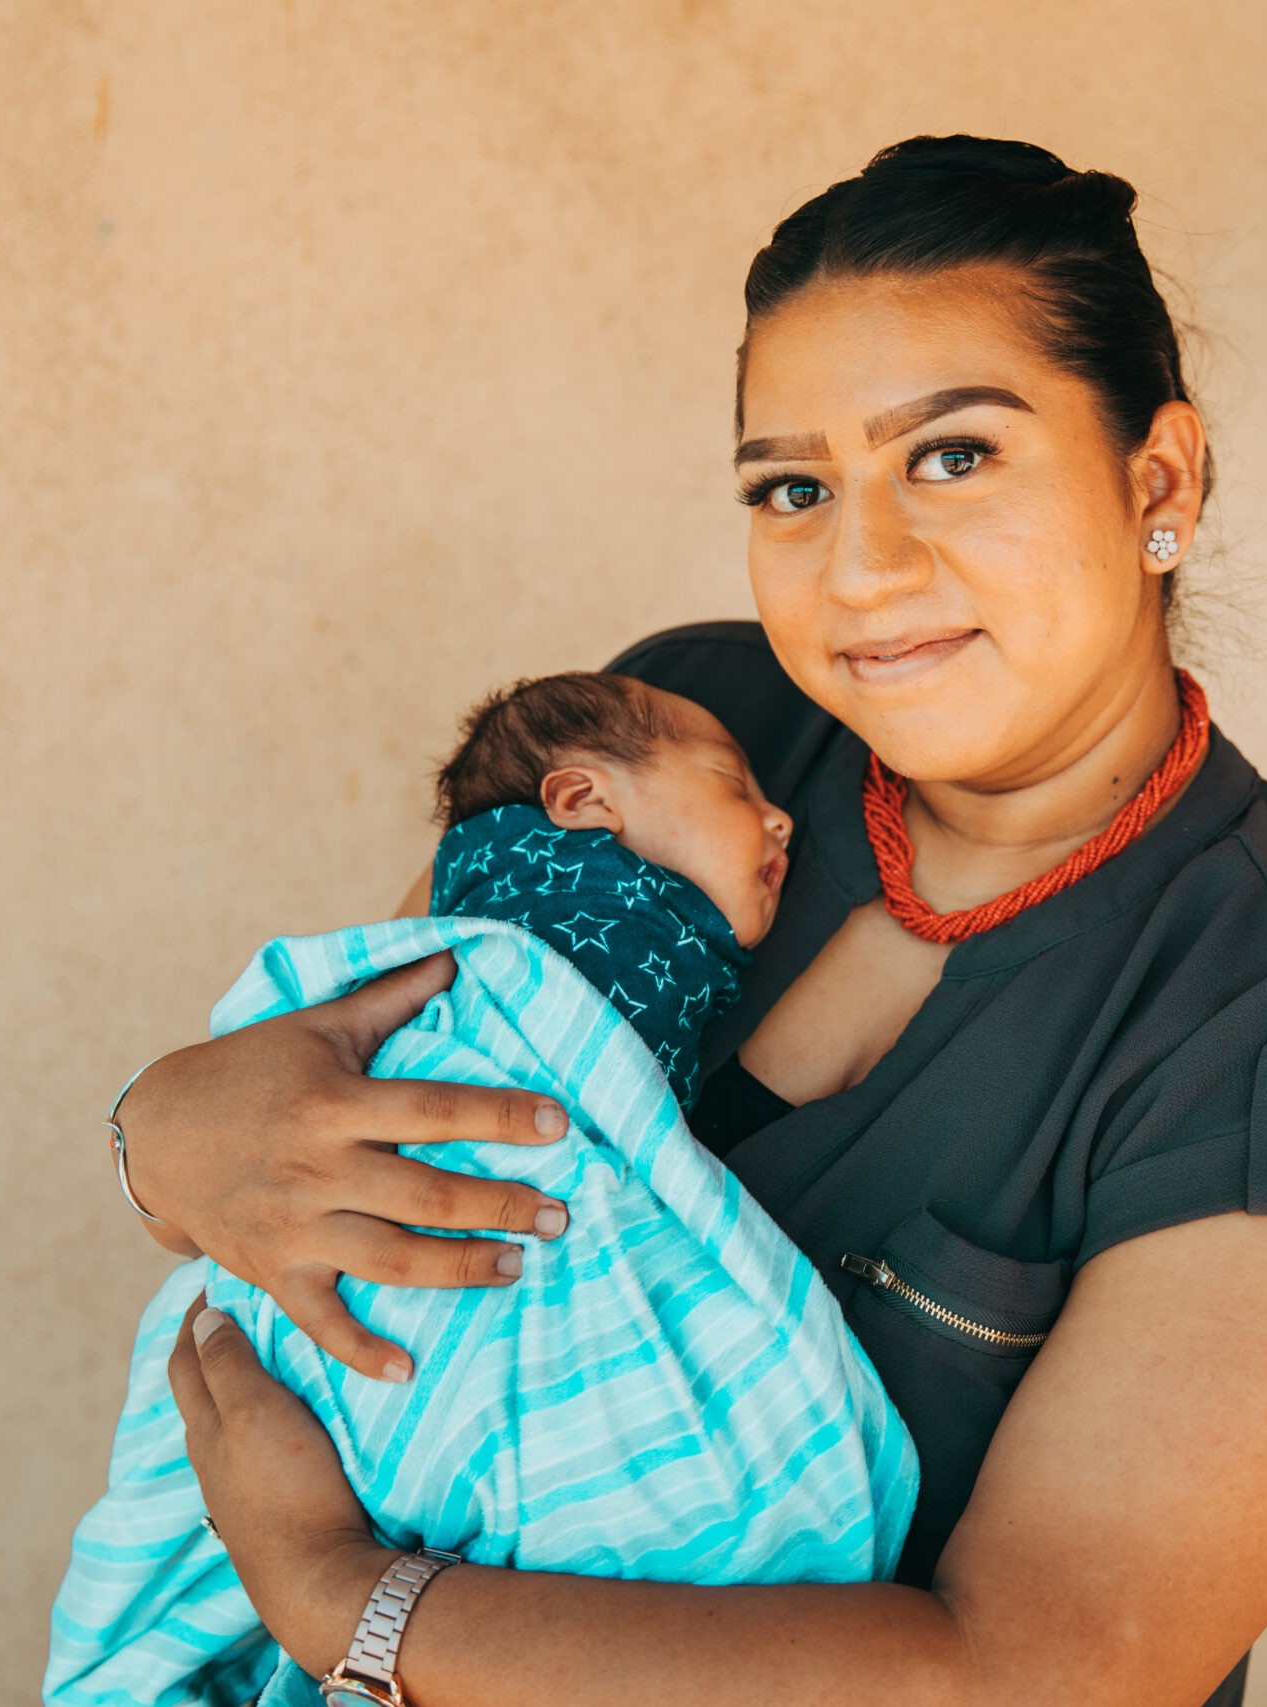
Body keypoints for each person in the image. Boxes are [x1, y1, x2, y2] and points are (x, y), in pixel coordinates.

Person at [105, 135, 1267, 1707]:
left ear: (1157, 480)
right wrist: (161, 1133)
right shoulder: (688, 730)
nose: (863, 567)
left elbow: (1032, 1678)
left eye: (956, 457)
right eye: (793, 487)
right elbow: (335, 1135)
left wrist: (346, 1600)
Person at [46, 674, 916, 1706]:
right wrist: (158, 1126)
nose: (777, 815)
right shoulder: (521, 919)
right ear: (581, 803)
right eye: (733, 785)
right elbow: (310, 1070)